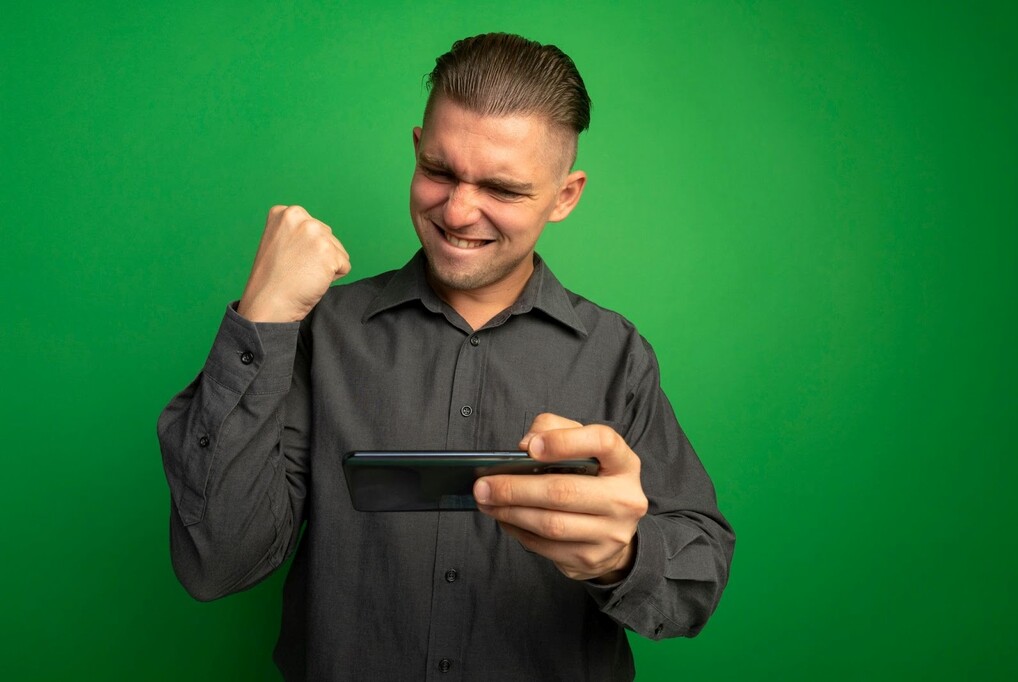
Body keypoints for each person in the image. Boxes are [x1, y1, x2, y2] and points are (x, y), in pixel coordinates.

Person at [158, 32, 734, 681]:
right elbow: (216, 565)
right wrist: (260, 316)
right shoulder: (321, 334)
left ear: (565, 196)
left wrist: (621, 557)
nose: (458, 211)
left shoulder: (616, 354)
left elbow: (696, 587)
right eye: (439, 171)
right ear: (415, 148)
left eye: (504, 189)